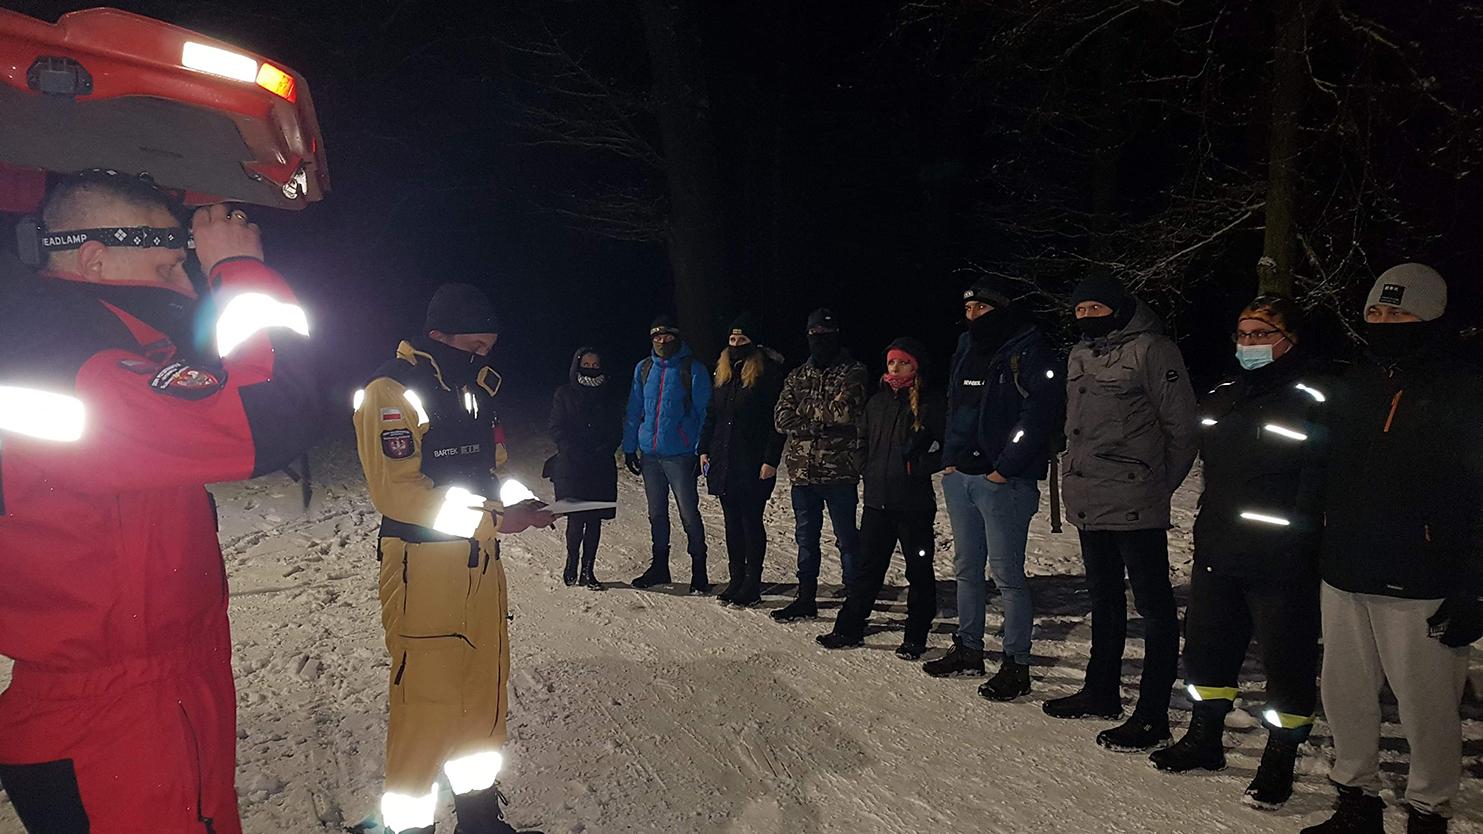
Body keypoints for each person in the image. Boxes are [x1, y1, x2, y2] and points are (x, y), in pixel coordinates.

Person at [0, 172, 321, 833]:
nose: (186, 288)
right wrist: (240, 271)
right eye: (170, 267)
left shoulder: (92, 347)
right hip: (110, 725)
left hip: (158, 697)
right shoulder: (58, 364)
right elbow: (273, 412)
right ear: (94, 259)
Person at [353, 283, 554, 834]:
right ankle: (410, 826)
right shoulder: (390, 391)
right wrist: (493, 520)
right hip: (423, 567)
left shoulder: (476, 390)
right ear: (438, 336)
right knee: (427, 704)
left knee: (482, 694)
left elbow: (491, 471)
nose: (483, 357)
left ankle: (480, 820)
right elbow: (397, 492)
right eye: (474, 347)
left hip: (479, 562)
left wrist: (521, 503)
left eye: (489, 347)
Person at [1300, 265, 1483, 834]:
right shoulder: (1353, 383)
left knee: (1427, 704)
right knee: (1345, 693)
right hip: (1345, 568)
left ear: (1431, 316)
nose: (1384, 323)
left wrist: (1475, 586)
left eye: (1399, 313)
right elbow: (1321, 468)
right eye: (1376, 312)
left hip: (1422, 575)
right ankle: (1356, 797)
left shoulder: (1464, 388)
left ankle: (1429, 808)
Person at [1148, 296, 1326, 810]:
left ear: (1290, 340)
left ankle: (1280, 757)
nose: (1250, 343)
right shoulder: (1223, 396)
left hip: (1281, 558)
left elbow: (1322, 483)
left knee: (1286, 661)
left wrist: (1306, 544)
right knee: (1207, 649)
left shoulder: (1315, 399)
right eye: (1243, 334)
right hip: (1218, 547)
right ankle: (1205, 737)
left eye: (1262, 334)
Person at [1048, 274, 1198, 752]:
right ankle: (1101, 691)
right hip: (1089, 498)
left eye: (1096, 307)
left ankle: (1153, 714)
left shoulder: (1153, 350)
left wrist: (1155, 486)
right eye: (1080, 310)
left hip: (1135, 500)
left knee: (1154, 609)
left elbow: (1182, 429)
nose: (1087, 317)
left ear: (1119, 307)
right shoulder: (1079, 354)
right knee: (1104, 598)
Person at [922, 279, 1062, 700]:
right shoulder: (966, 347)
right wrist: (950, 458)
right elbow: (954, 405)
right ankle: (969, 648)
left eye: (981, 309)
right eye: (968, 310)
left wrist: (1005, 467)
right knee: (966, 569)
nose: (973, 317)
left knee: (1007, 577)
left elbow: (1039, 412)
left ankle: (1016, 663)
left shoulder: (1029, 349)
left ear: (1001, 308)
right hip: (961, 477)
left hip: (1005, 482)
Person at [817, 337, 945, 658]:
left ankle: (915, 636)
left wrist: (918, 466)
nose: (895, 367)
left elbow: (947, 446)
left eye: (903, 362)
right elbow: (861, 439)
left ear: (915, 367)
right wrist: (865, 466)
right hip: (877, 502)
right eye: (891, 362)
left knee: (918, 571)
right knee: (868, 568)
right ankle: (849, 628)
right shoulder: (876, 403)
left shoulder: (930, 403)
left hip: (914, 504)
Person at [772, 308, 868, 621]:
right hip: (802, 473)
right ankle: (806, 597)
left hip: (839, 471)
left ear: (836, 335)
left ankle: (855, 600)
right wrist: (819, 419)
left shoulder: (854, 371)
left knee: (847, 539)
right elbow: (780, 418)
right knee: (805, 540)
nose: (819, 339)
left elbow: (847, 413)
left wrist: (804, 409)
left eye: (826, 334)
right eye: (814, 333)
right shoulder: (798, 375)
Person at [698, 313, 787, 607]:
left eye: (742, 339)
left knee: (751, 522)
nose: (736, 344)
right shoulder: (723, 374)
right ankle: (736, 578)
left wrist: (770, 460)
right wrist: (704, 448)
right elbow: (712, 414)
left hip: (752, 461)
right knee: (731, 522)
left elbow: (776, 423)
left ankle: (752, 582)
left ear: (754, 343)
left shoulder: (766, 374)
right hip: (724, 458)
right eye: (732, 339)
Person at [623, 315, 713, 592]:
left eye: (667, 336)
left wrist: (701, 450)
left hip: (681, 455)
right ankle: (660, 567)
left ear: (677, 337)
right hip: (650, 455)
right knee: (656, 514)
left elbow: (705, 413)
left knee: (689, 514)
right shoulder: (644, 368)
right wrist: (629, 447)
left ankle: (699, 571)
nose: (662, 341)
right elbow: (634, 408)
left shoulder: (693, 369)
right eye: (657, 337)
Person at [546, 347, 622, 590]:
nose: (590, 369)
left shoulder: (608, 395)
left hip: (600, 464)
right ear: (577, 365)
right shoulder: (564, 393)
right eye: (586, 364)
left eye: (594, 365)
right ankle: (571, 563)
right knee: (576, 519)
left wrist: (604, 449)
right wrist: (571, 448)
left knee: (594, 519)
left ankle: (589, 570)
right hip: (572, 464)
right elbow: (556, 427)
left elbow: (616, 429)